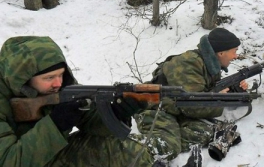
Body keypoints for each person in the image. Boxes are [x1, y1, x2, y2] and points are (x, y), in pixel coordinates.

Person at [0, 36, 163, 166]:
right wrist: (55, 125)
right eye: (49, 78)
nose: (58, 83)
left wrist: (117, 112)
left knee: (123, 150)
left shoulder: (62, 87)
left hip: (49, 155)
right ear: (23, 79)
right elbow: (8, 161)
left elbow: (89, 119)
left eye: (61, 74)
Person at [133, 28, 249, 166]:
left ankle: (170, 137)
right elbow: (193, 107)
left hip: (175, 109)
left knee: (208, 133)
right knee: (169, 146)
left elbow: (204, 92)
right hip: (154, 108)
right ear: (221, 52)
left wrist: (234, 91)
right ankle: (120, 146)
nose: (236, 56)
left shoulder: (210, 64)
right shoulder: (189, 64)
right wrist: (220, 99)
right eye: (234, 51)